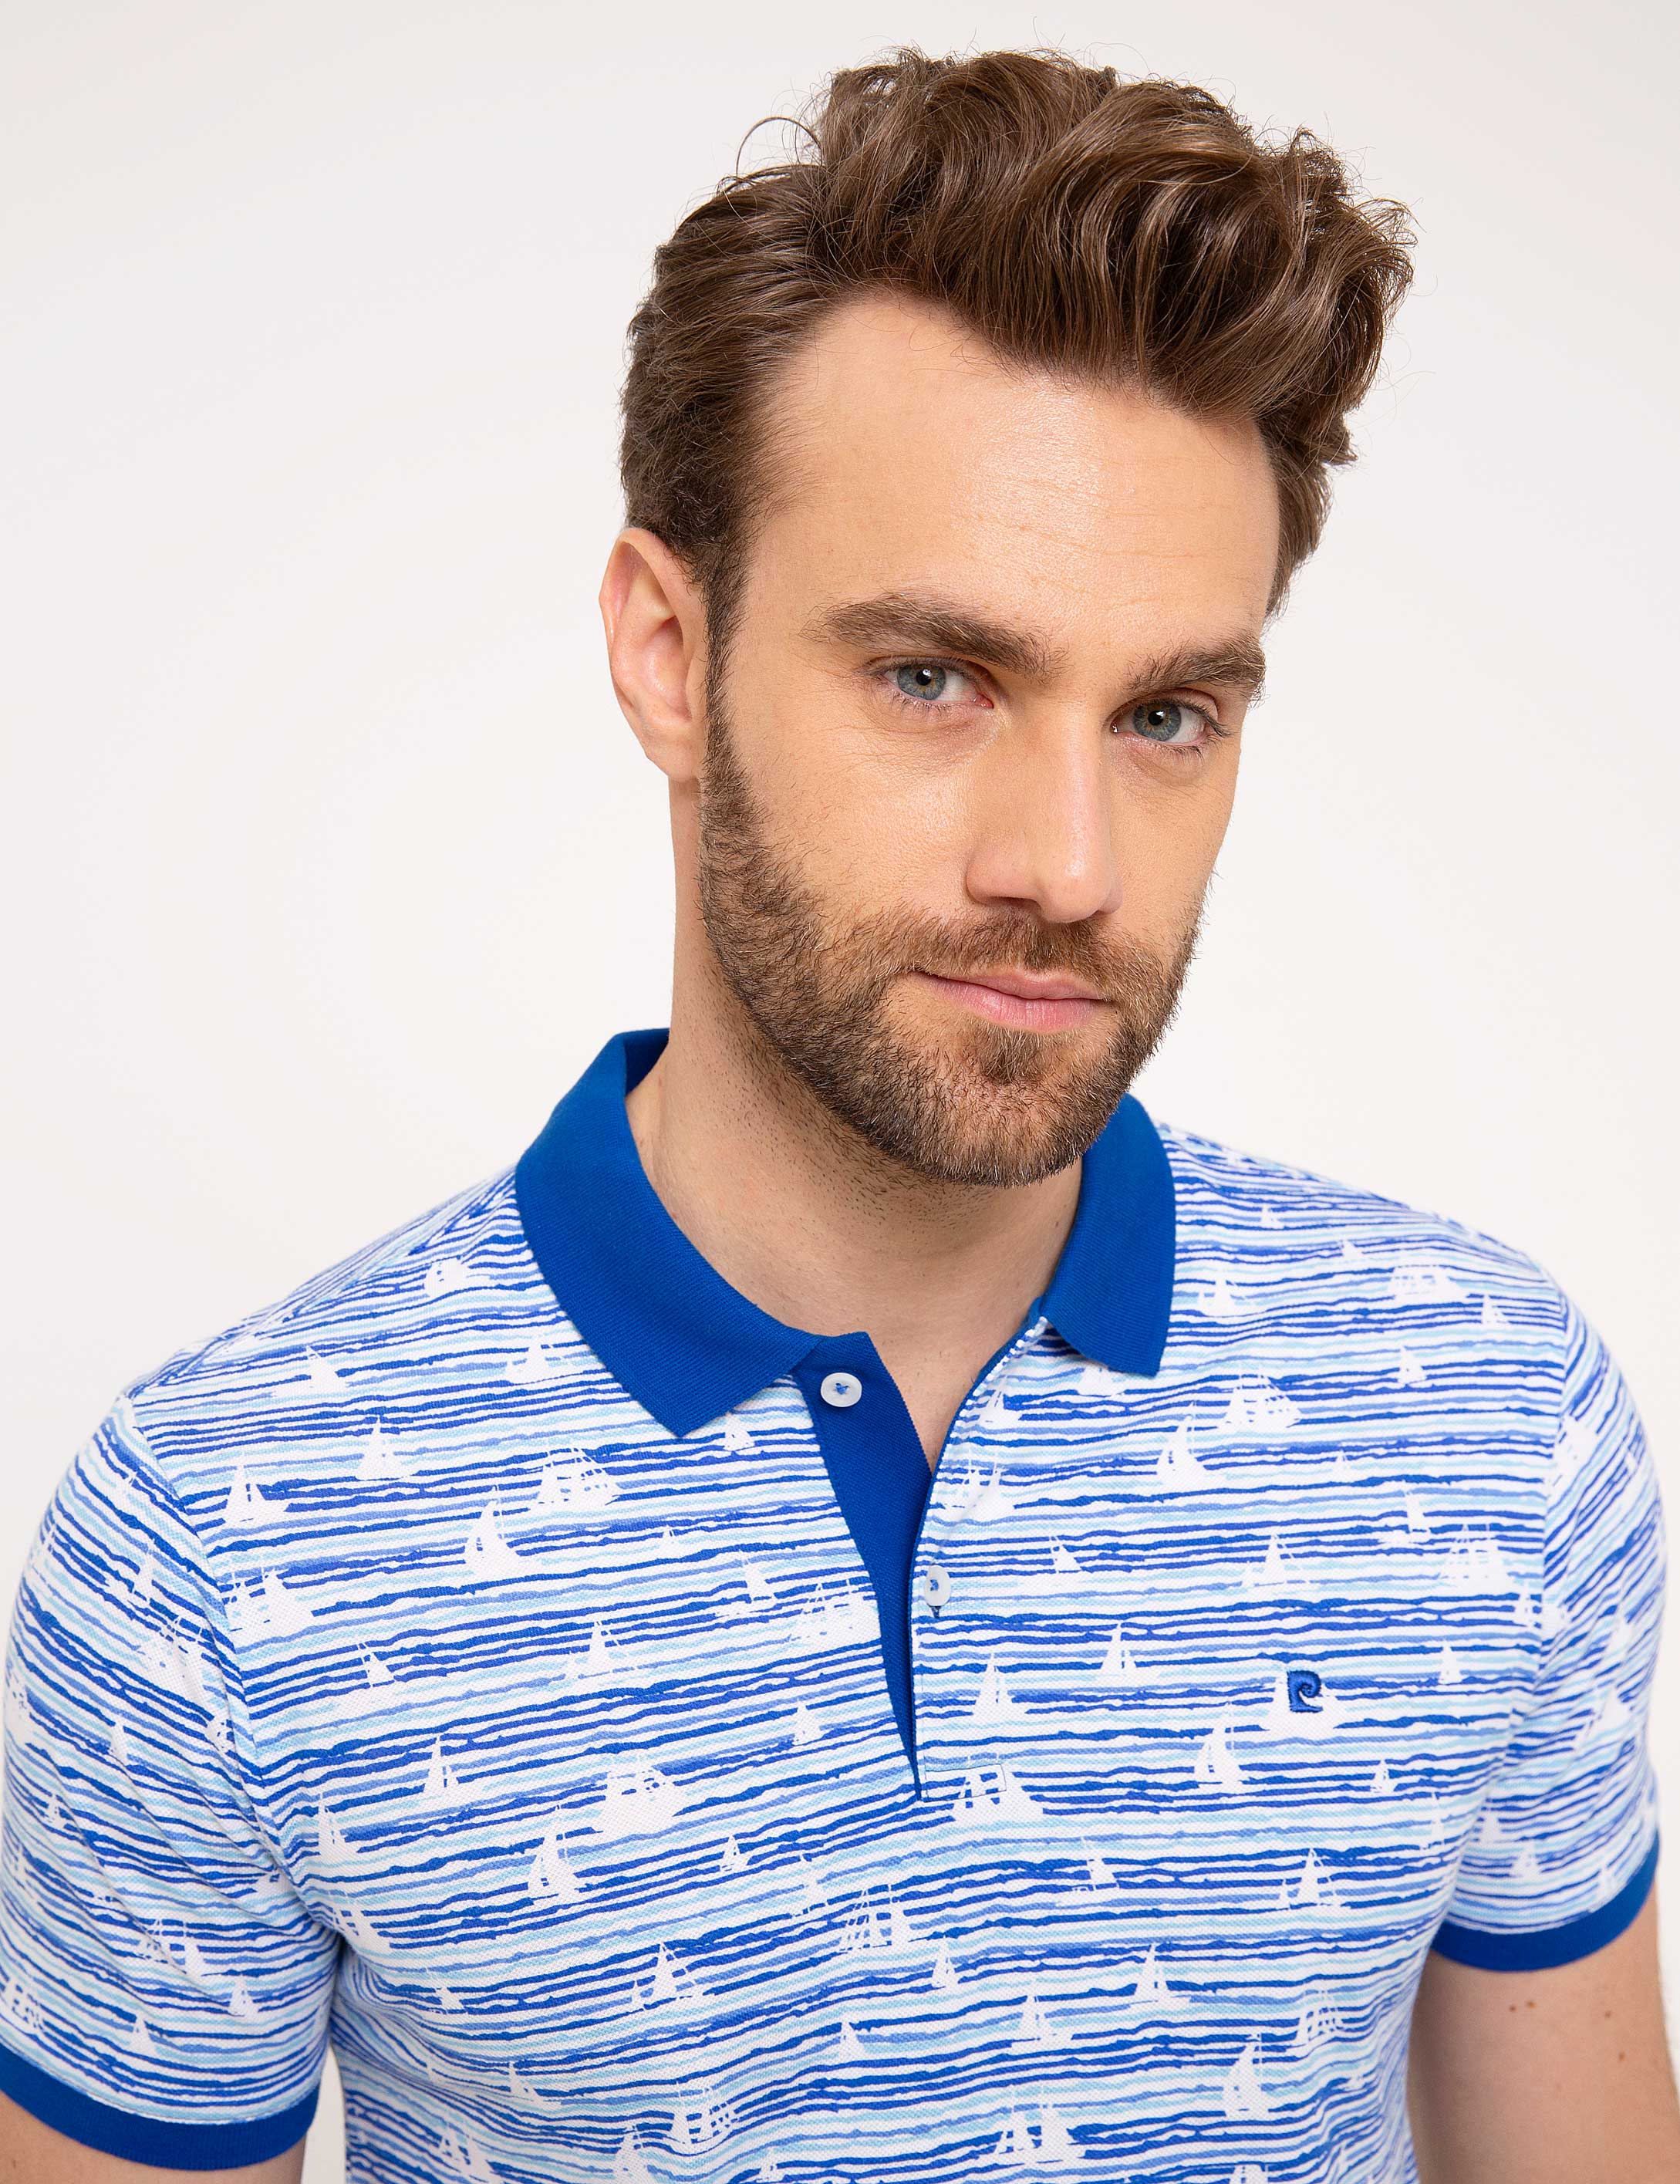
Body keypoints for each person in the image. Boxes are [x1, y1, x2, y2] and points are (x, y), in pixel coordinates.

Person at [2, 42, 1674, 2184]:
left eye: (1167, 711)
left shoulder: (1487, 1417)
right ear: (666, 655)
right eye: (932, 677)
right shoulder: (220, 1542)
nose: (1067, 864)